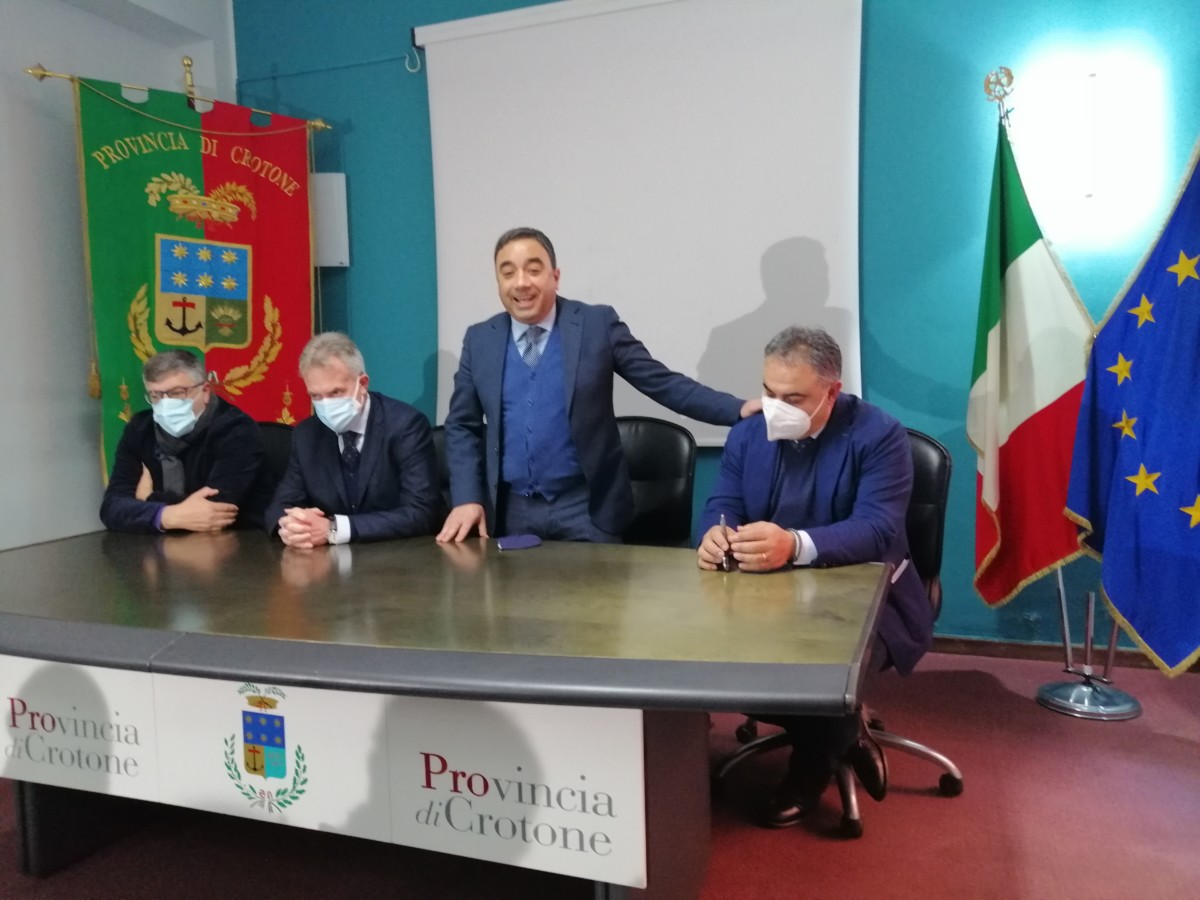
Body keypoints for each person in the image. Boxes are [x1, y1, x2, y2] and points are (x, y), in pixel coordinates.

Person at [696, 325, 934, 828]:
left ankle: (808, 773)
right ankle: (849, 730)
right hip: (766, 595)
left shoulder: (880, 435)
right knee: (714, 665)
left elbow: (877, 529)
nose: (776, 407)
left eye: (793, 398)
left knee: (819, 676)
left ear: (832, 390)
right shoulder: (748, 433)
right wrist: (716, 533)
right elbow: (723, 502)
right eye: (769, 392)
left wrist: (794, 544)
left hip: (868, 595)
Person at [437, 227, 759, 544]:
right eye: (508, 273)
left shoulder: (596, 324)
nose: (521, 282)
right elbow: (462, 425)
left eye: (533, 270)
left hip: (588, 509)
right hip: (511, 512)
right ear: (499, 282)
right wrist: (467, 498)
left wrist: (737, 409)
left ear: (555, 276)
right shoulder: (480, 340)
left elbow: (662, 382)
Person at [268, 332, 441, 546]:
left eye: (336, 392)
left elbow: (422, 512)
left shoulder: (405, 425)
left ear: (363, 383)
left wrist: (334, 528)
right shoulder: (306, 435)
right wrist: (292, 526)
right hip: (327, 562)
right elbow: (280, 506)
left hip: (398, 557)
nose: (326, 404)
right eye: (316, 396)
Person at [101, 349, 274, 533]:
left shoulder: (237, 429)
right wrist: (164, 516)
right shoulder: (139, 429)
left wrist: (149, 499)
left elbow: (215, 512)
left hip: (236, 541)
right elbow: (111, 508)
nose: (165, 403)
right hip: (157, 543)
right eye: (156, 396)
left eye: (177, 392)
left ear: (205, 391)